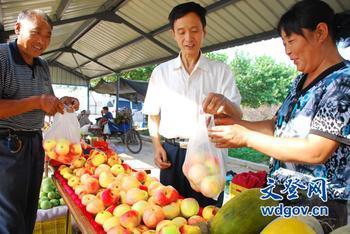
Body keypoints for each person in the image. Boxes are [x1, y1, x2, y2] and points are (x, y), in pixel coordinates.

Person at [208, 0, 350, 231]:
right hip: (282, 196)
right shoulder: (300, 81)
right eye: (284, 44)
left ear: (320, 33)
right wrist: (236, 124)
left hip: (319, 205)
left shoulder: (343, 82)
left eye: (291, 41)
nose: (287, 51)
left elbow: (316, 151)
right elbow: (278, 126)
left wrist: (247, 138)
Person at [143, 2, 242, 207]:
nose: (189, 38)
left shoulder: (220, 71)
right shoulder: (161, 73)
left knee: (208, 213)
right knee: (170, 213)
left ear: (204, 31)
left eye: (195, 30)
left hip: (209, 155)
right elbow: (153, 115)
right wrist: (156, 146)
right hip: (172, 154)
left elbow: (238, 115)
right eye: (182, 32)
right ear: (173, 34)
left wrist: (224, 103)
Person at [0, 9, 79, 233]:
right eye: (35, 33)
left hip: (35, 143)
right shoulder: (2, 57)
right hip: (6, 148)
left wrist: (62, 103)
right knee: (10, 221)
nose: (42, 41)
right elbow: (38, 102)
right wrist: (36, 101)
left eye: (47, 35)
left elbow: (47, 104)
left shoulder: (43, 65)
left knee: (28, 214)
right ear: (17, 29)